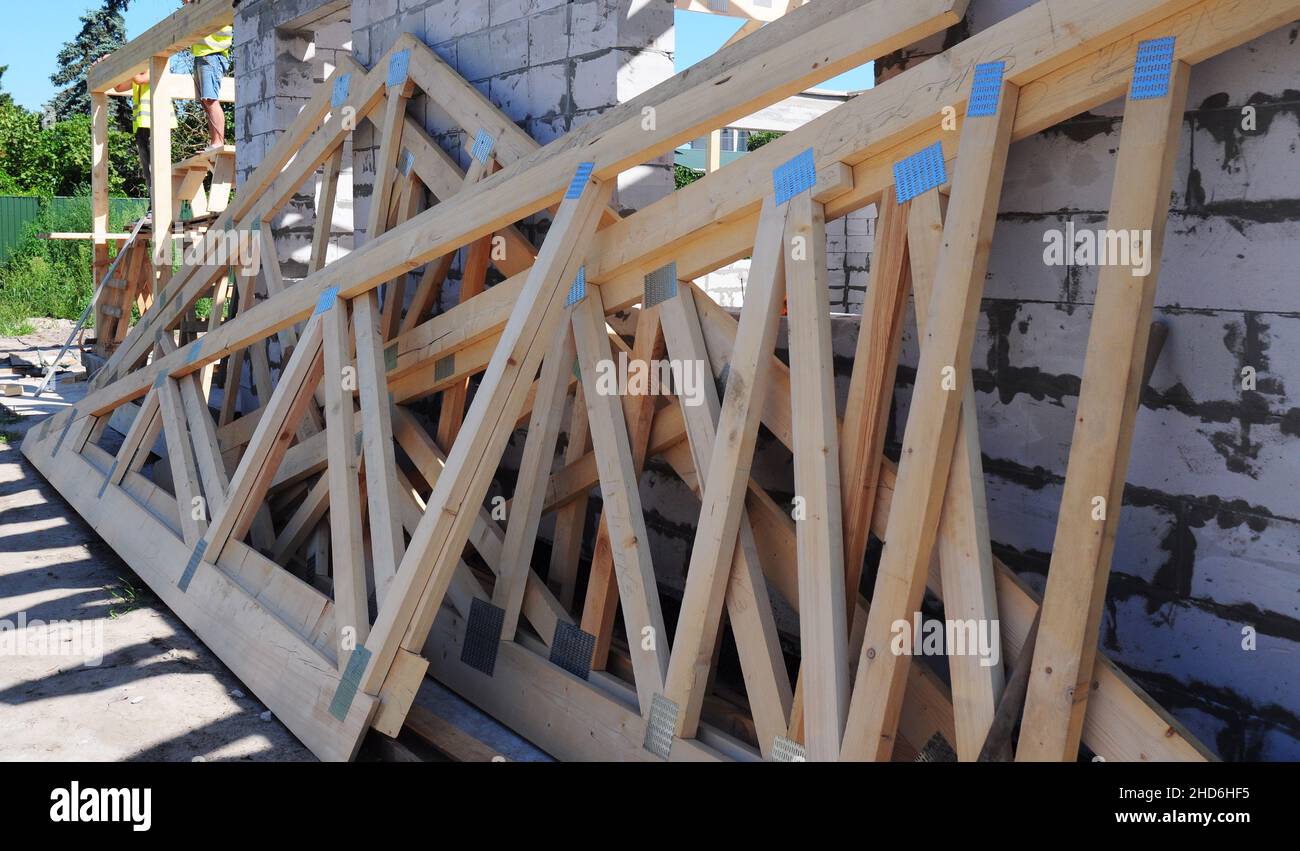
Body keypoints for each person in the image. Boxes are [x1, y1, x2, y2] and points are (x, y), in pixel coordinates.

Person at [110, 71, 178, 208]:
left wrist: (129, 62)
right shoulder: (137, 70)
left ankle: (161, 208)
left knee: (157, 169)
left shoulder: (155, 65)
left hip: (157, 123)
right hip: (142, 125)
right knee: (148, 171)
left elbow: (140, 79)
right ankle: (153, 207)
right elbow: (118, 87)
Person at [184, 0, 232, 153]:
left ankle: (218, 142)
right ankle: (214, 142)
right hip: (202, 52)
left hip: (213, 53)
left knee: (210, 99)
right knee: (206, 102)